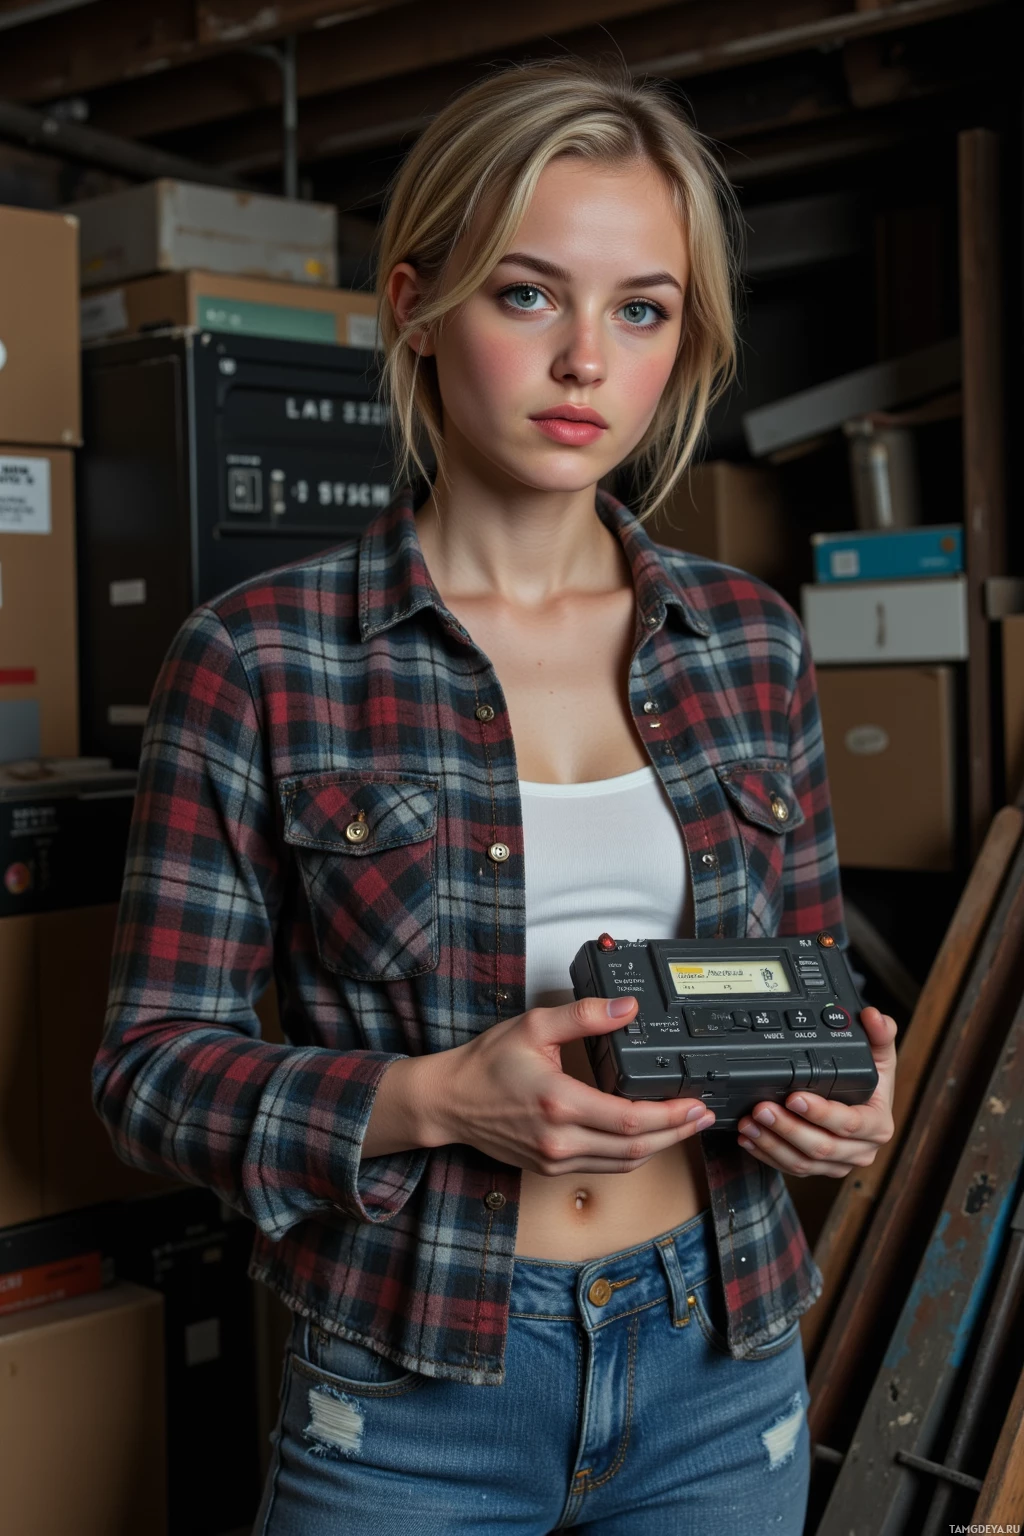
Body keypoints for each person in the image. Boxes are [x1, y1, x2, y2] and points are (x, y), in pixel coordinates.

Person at [93, 57, 897, 1535]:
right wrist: (431, 1099)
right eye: (528, 294)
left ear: (681, 342)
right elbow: (147, 1073)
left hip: (721, 1356)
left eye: (640, 309)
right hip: (413, 1382)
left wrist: (840, 1096)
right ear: (415, 303)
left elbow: (792, 986)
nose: (586, 360)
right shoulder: (259, 656)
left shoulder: (750, 640)